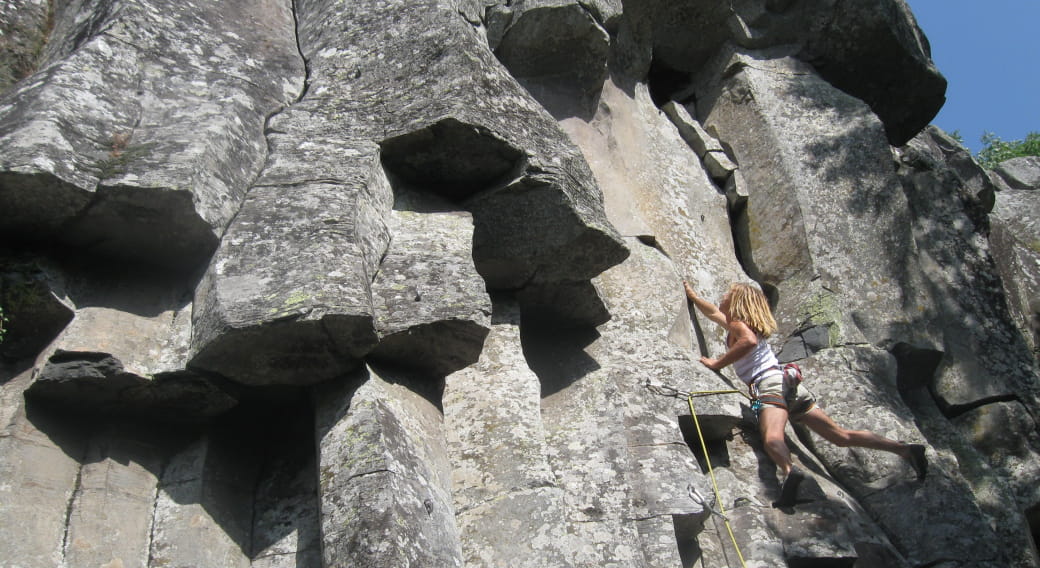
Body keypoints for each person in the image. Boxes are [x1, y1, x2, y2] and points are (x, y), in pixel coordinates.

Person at [684, 281, 927, 507]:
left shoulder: (739, 327)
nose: (723, 296)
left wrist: (717, 364)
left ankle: (789, 472)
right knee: (840, 436)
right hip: (790, 384)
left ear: (737, 300)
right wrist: (694, 297)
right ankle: (904, 449)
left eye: (728, 294)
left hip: (769, 385)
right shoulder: (740, 325)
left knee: (771, 438)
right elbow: (714, 313)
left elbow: (747, 342)